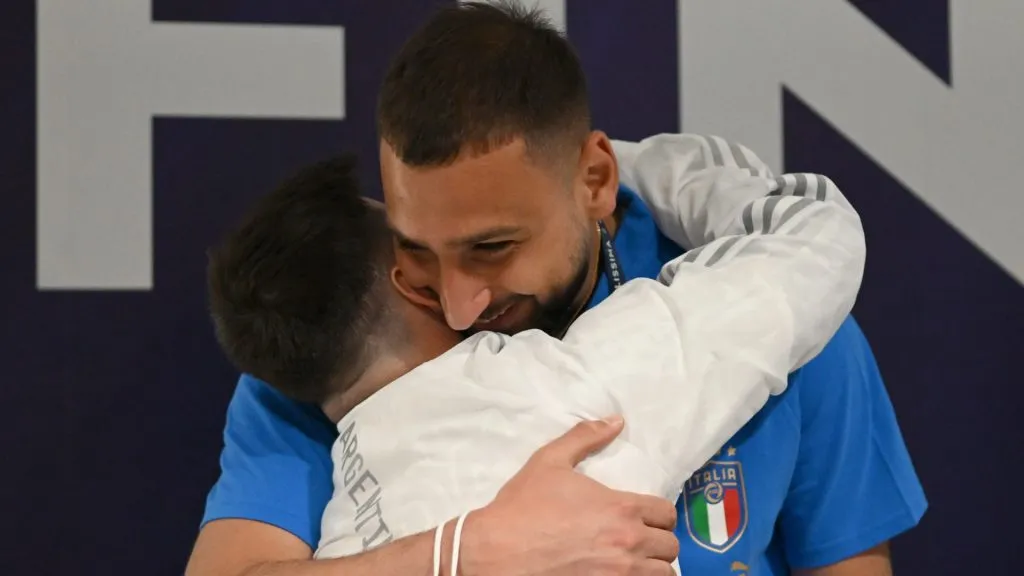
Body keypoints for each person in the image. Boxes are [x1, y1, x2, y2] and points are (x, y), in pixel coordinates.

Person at [186, 3, 926, 575]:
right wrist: (469, 550)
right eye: (418, 254)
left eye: (492, 248)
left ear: (597, 180)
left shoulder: (777, 326)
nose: (456, 302)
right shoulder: (346, 339)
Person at [204, 143, 863, 573]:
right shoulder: (554, 388)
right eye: (421, 242)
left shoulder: (343, 533)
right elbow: (811, 237)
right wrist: (639, 167)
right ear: (411, 277)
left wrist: (448, 557)